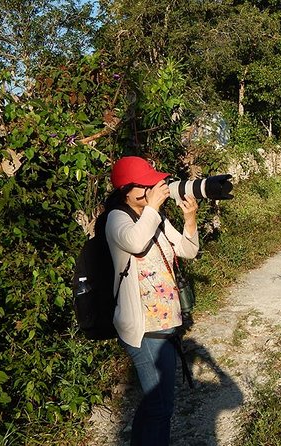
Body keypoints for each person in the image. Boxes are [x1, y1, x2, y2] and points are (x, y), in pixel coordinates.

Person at [104, 156, 199, 446]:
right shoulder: (116, 218)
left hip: (166, 324)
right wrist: (154, 208)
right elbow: (134, 242)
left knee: (154, 403)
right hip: (143, 329)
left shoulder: (154, 217)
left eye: (152, 184)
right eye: (144, 186)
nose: (151, 189)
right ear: (126, 191)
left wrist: (190, 219)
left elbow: (187, 250)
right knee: (161, 407)